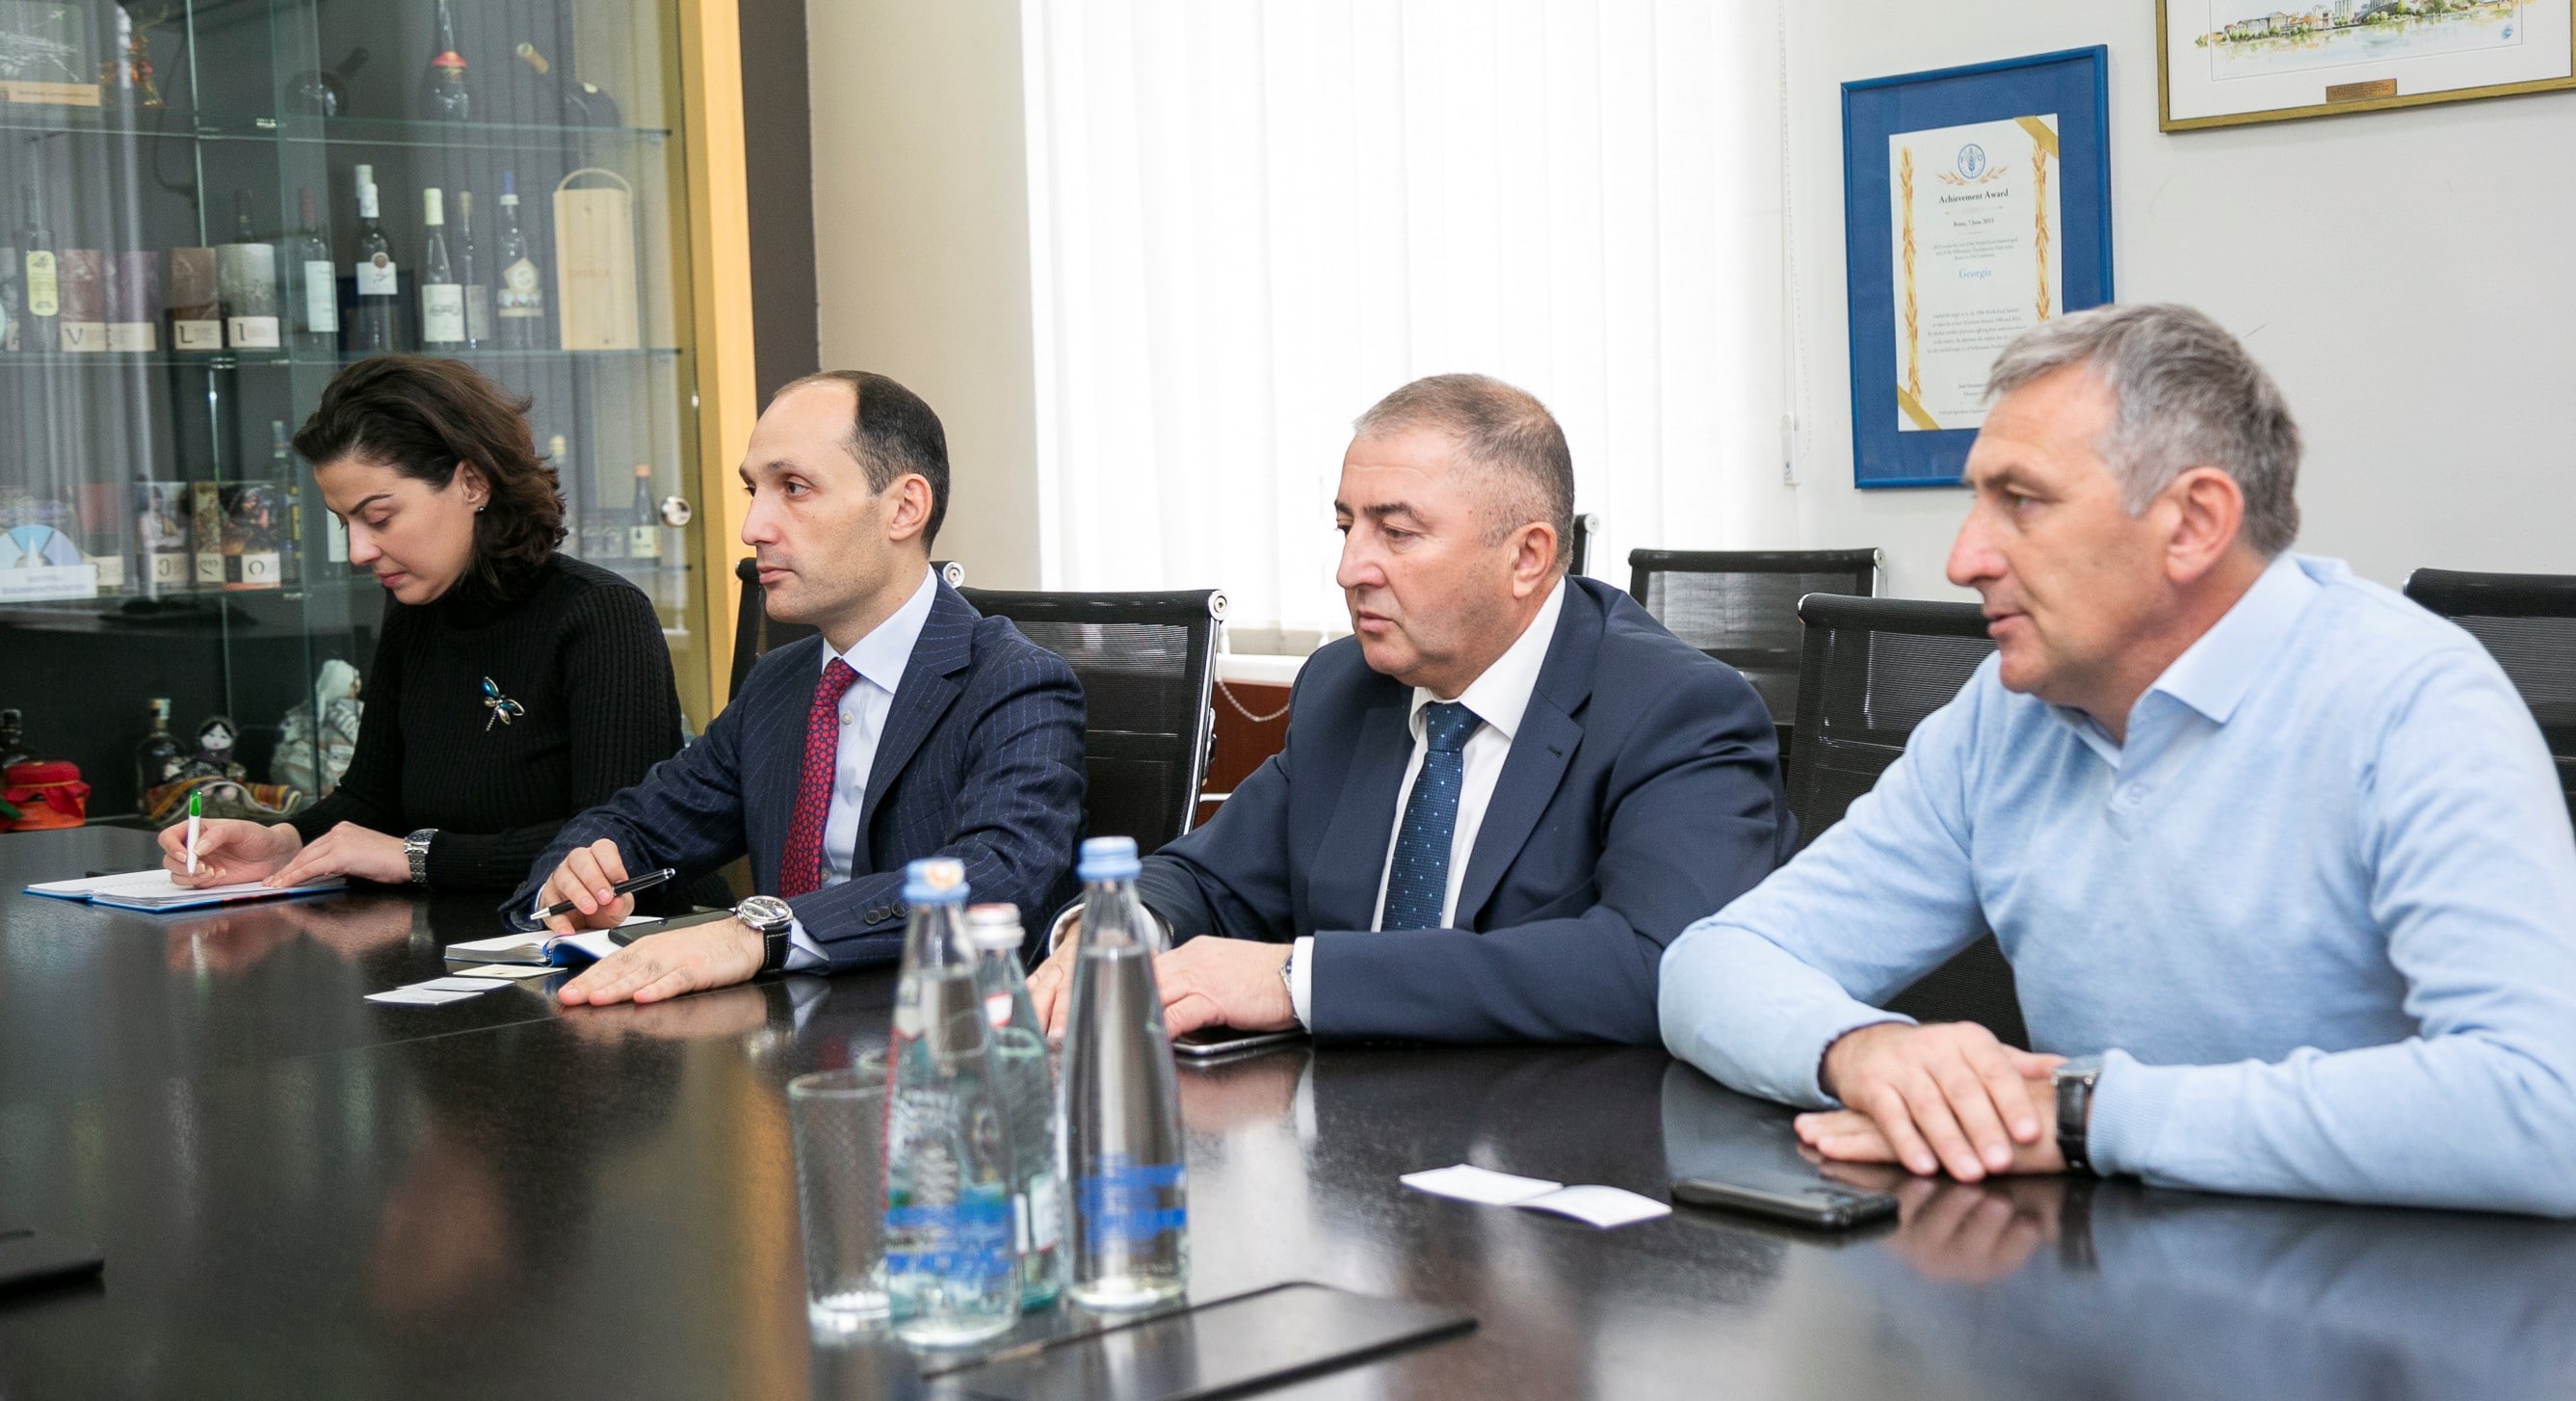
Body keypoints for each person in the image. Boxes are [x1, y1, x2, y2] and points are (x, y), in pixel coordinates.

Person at [1658, 304, 2576, 1216]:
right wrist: (1862, 1050)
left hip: (2389, 1285)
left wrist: (2083, 1113)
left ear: (2193, 522)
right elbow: (1717, 961)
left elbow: (2547, 1104)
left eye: (2021, 501)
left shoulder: (2412, 703)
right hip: (2102, 1262)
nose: (1963, 559)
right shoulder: (2009, 714)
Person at [1027, 373, 1792, 1044]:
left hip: (1562, 1135)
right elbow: (1211, 879)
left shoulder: (1677, 710)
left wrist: (1298, 981)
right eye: (1346, 527)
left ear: (1526, 557)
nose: (1349, 568)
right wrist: (1119, 930)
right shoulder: (1345, 687)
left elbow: (1659, 963)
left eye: (1396, 533)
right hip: (1343, 1130)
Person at [513, 371, 1086, 1005]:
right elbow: (637, 823)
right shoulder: (779, 683)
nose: (752, 527)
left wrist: (758, 933)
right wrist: (575, 880)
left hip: (947, 1035)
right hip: (783, 1035)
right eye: (752, 490)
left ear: (904, 509)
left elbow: (995, 876)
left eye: (793, 488)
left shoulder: (1014, 681)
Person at [161, 356, 685, 891]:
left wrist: (416, 858)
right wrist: (282, 844)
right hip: (454, 931)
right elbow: (371, 801)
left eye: (379, 517)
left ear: (473, 483)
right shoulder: (415, 611)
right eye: (344, 523)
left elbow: (617, 846)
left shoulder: (600, 614)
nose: (358, 551)